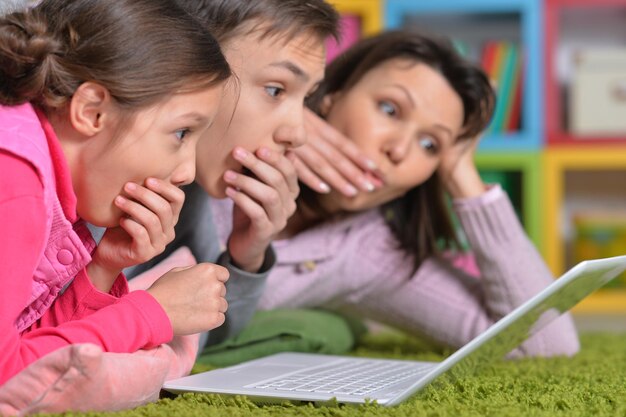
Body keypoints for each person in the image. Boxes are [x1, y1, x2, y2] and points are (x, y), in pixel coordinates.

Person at [213, 30, 581, 357]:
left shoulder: (373, 254)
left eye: (429, 144)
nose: (400, 150)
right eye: (389, 109)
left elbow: (545, 342)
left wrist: (462, 174)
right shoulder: (218, 142)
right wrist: (283, 114)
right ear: (330, 96)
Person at [0, 0, 231, 386]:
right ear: (92, 112)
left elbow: (24, 342)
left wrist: (104, 266)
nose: (188, 172)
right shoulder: (13, 178)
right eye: (181, 133)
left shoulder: (38, 176)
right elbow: (9, 379)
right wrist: (149, 313)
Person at [124, 0, 340, 348]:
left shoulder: (188, 190)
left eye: (307, 97)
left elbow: (206, 328)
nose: (297, 134)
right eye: (275, 89)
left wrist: (247, 253)